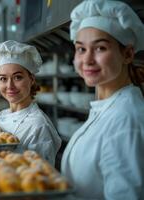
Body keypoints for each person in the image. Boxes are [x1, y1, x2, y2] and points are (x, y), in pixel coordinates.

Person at [61, 0, 144, 199]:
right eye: (81, 49)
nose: (87, 60)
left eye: (100, 48)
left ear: (128, 54)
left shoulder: (126, 120)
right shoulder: (109, 106)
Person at [0, 40, 61, 166]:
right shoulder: (2, 115)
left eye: (17, 77)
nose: (9, 86)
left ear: (31, 79)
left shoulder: (39, 126)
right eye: (3, 79)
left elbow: (41, 176)